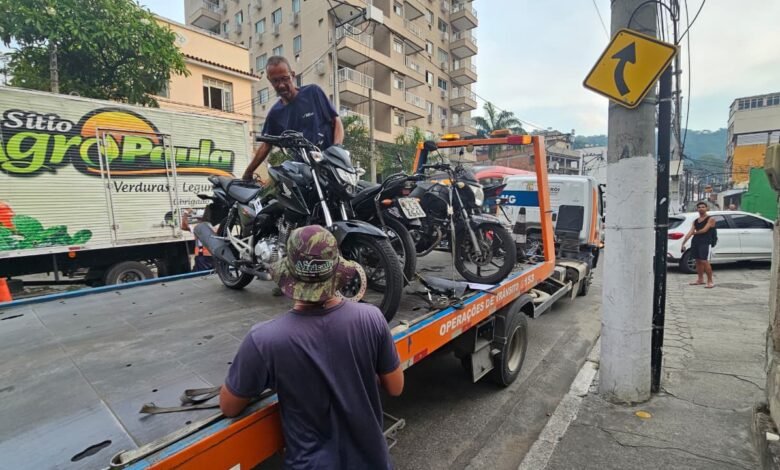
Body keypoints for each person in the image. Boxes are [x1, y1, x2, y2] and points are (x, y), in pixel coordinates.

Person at [219, 225, 404, 469]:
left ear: (289, 275)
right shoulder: (371, 318)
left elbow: (229, 406)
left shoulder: (264, 340)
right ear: (337, 271)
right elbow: (396, 387)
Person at [243, 56, 344, 181]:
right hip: (306, 173)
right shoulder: (275, 113)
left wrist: (336, 151)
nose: (281, 85)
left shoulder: (313, 93)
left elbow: (336, 121)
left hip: (331, 166)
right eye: (275, 81)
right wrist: (248, 172)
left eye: (285, 79)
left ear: (292, 75)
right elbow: (266, 145)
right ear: (270, 81)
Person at [681, 201, 716, 288]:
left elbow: (704, 230)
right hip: (696, 241)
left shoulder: (711, 219)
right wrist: (683, 243)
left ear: (707, 208)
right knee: (697, 261)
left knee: (704, 261)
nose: (701, 208)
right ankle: (700, 279)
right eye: (699, 207)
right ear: (697, 209)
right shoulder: (695, 221)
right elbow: (690, 232)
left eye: (703, 207)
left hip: (705, 242)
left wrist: (694, 233)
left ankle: (710, 281)